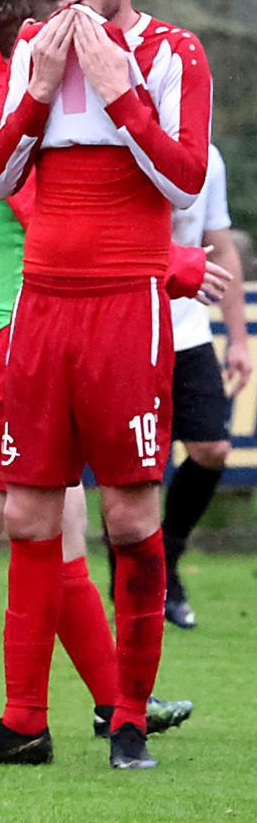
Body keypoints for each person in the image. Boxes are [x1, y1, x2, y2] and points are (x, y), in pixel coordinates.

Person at [0, 0, 198, 744]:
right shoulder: (18, 113)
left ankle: (111, 698)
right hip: (13, 339)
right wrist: (173, 268)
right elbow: (53, 230)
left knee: (49, 530)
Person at [155, 145, 248, 629]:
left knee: (211, 448)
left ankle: (167, 562)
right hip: (128, 326)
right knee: (134, 465)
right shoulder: (118, 140)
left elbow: (222, 245)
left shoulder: (209, 156)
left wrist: (237, 338)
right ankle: (138, 584)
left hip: (188, 331)